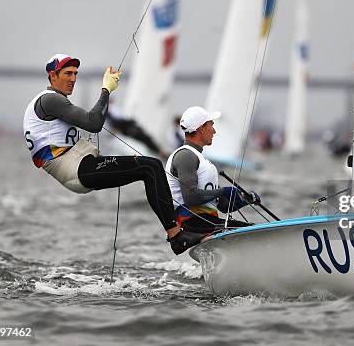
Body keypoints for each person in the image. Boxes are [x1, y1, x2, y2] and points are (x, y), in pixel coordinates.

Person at [22, 53, 204, 254]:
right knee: (150, 167)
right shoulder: (50, 100)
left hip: (80, 166)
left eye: (75, 73)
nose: (73, 79)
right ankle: (177, 235)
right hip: (75, 170)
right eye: (67, 73)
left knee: (149, 166)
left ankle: (182, 228)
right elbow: (94, 123)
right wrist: (106, 89)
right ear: (53, 75)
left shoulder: (51, 101)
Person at [165, 106, 260, 233]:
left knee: (253, 228)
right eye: (211, 125)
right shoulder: (185, 155)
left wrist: (245, 200)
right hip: (191, 224)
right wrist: (222, 191)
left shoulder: (201, 160)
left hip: (206, 223)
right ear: (201, 129)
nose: (214, 131)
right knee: (253, 231)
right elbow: (191, 198)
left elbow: (223, 206)